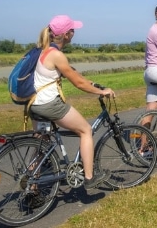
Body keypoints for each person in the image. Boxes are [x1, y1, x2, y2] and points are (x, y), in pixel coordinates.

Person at [28, 15, 115, 190]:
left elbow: (72, 73)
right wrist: (101, 91)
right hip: (49, 104)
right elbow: (78, 83)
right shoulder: (56, 55)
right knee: (85, 130)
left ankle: (31, 185)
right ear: (67, 34)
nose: (74, 33)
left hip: (33, 104)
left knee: (41, 143)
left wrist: (90, 83)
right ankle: (90, 177)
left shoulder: (41, 50)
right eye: (73, 30)